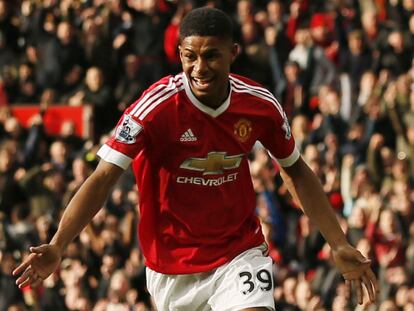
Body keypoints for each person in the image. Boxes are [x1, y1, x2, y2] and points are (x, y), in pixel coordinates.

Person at [13, 7, 378, 310]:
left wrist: (338, 242)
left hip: (238, 252)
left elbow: (295, 170)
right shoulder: (155, 107)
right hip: (172, 267)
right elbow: (103, 177)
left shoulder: (260, 106)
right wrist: (59, 243)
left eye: (211, 55)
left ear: (233, 52)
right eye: (190, 56)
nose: (199, 68)